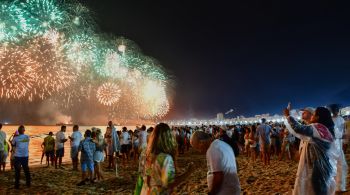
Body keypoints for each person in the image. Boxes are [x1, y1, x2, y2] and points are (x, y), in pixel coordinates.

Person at [284, 105, 337, 195]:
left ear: (318, 117)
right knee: (321, 186)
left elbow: (298, 128)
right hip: (324, 162)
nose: (312, 116)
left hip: (318, 164)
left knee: (318, 187)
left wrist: (288, 116)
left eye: (314, 114)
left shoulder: (319, 128)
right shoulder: (326, 129)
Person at [140, 123, 195, 194]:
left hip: (146, 191)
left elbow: (146, 177)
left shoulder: (146, 154)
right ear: (169, 137)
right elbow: (169, 183)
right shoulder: (166, 158)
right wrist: (188, 172)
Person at [191, 130, 241, 195]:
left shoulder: (212, 150)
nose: (200, 151)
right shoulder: (221, 144)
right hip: (232, 188)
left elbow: (218, 176)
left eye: (197, 148)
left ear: (201, 142)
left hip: (224, 191)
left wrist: (212, 193)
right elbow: (237, 166)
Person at [328, 104, 348, 192]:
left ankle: (339, 187)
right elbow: (340, 133)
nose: (335, 111)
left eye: (336, 109)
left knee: (341, 165)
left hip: (338, 144)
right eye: (334, 109)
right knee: (335, 166)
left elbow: (344, 131)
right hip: (333, 144)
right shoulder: (330, 120)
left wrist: (344, 142)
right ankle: (335, 187)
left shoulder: (341, 119)